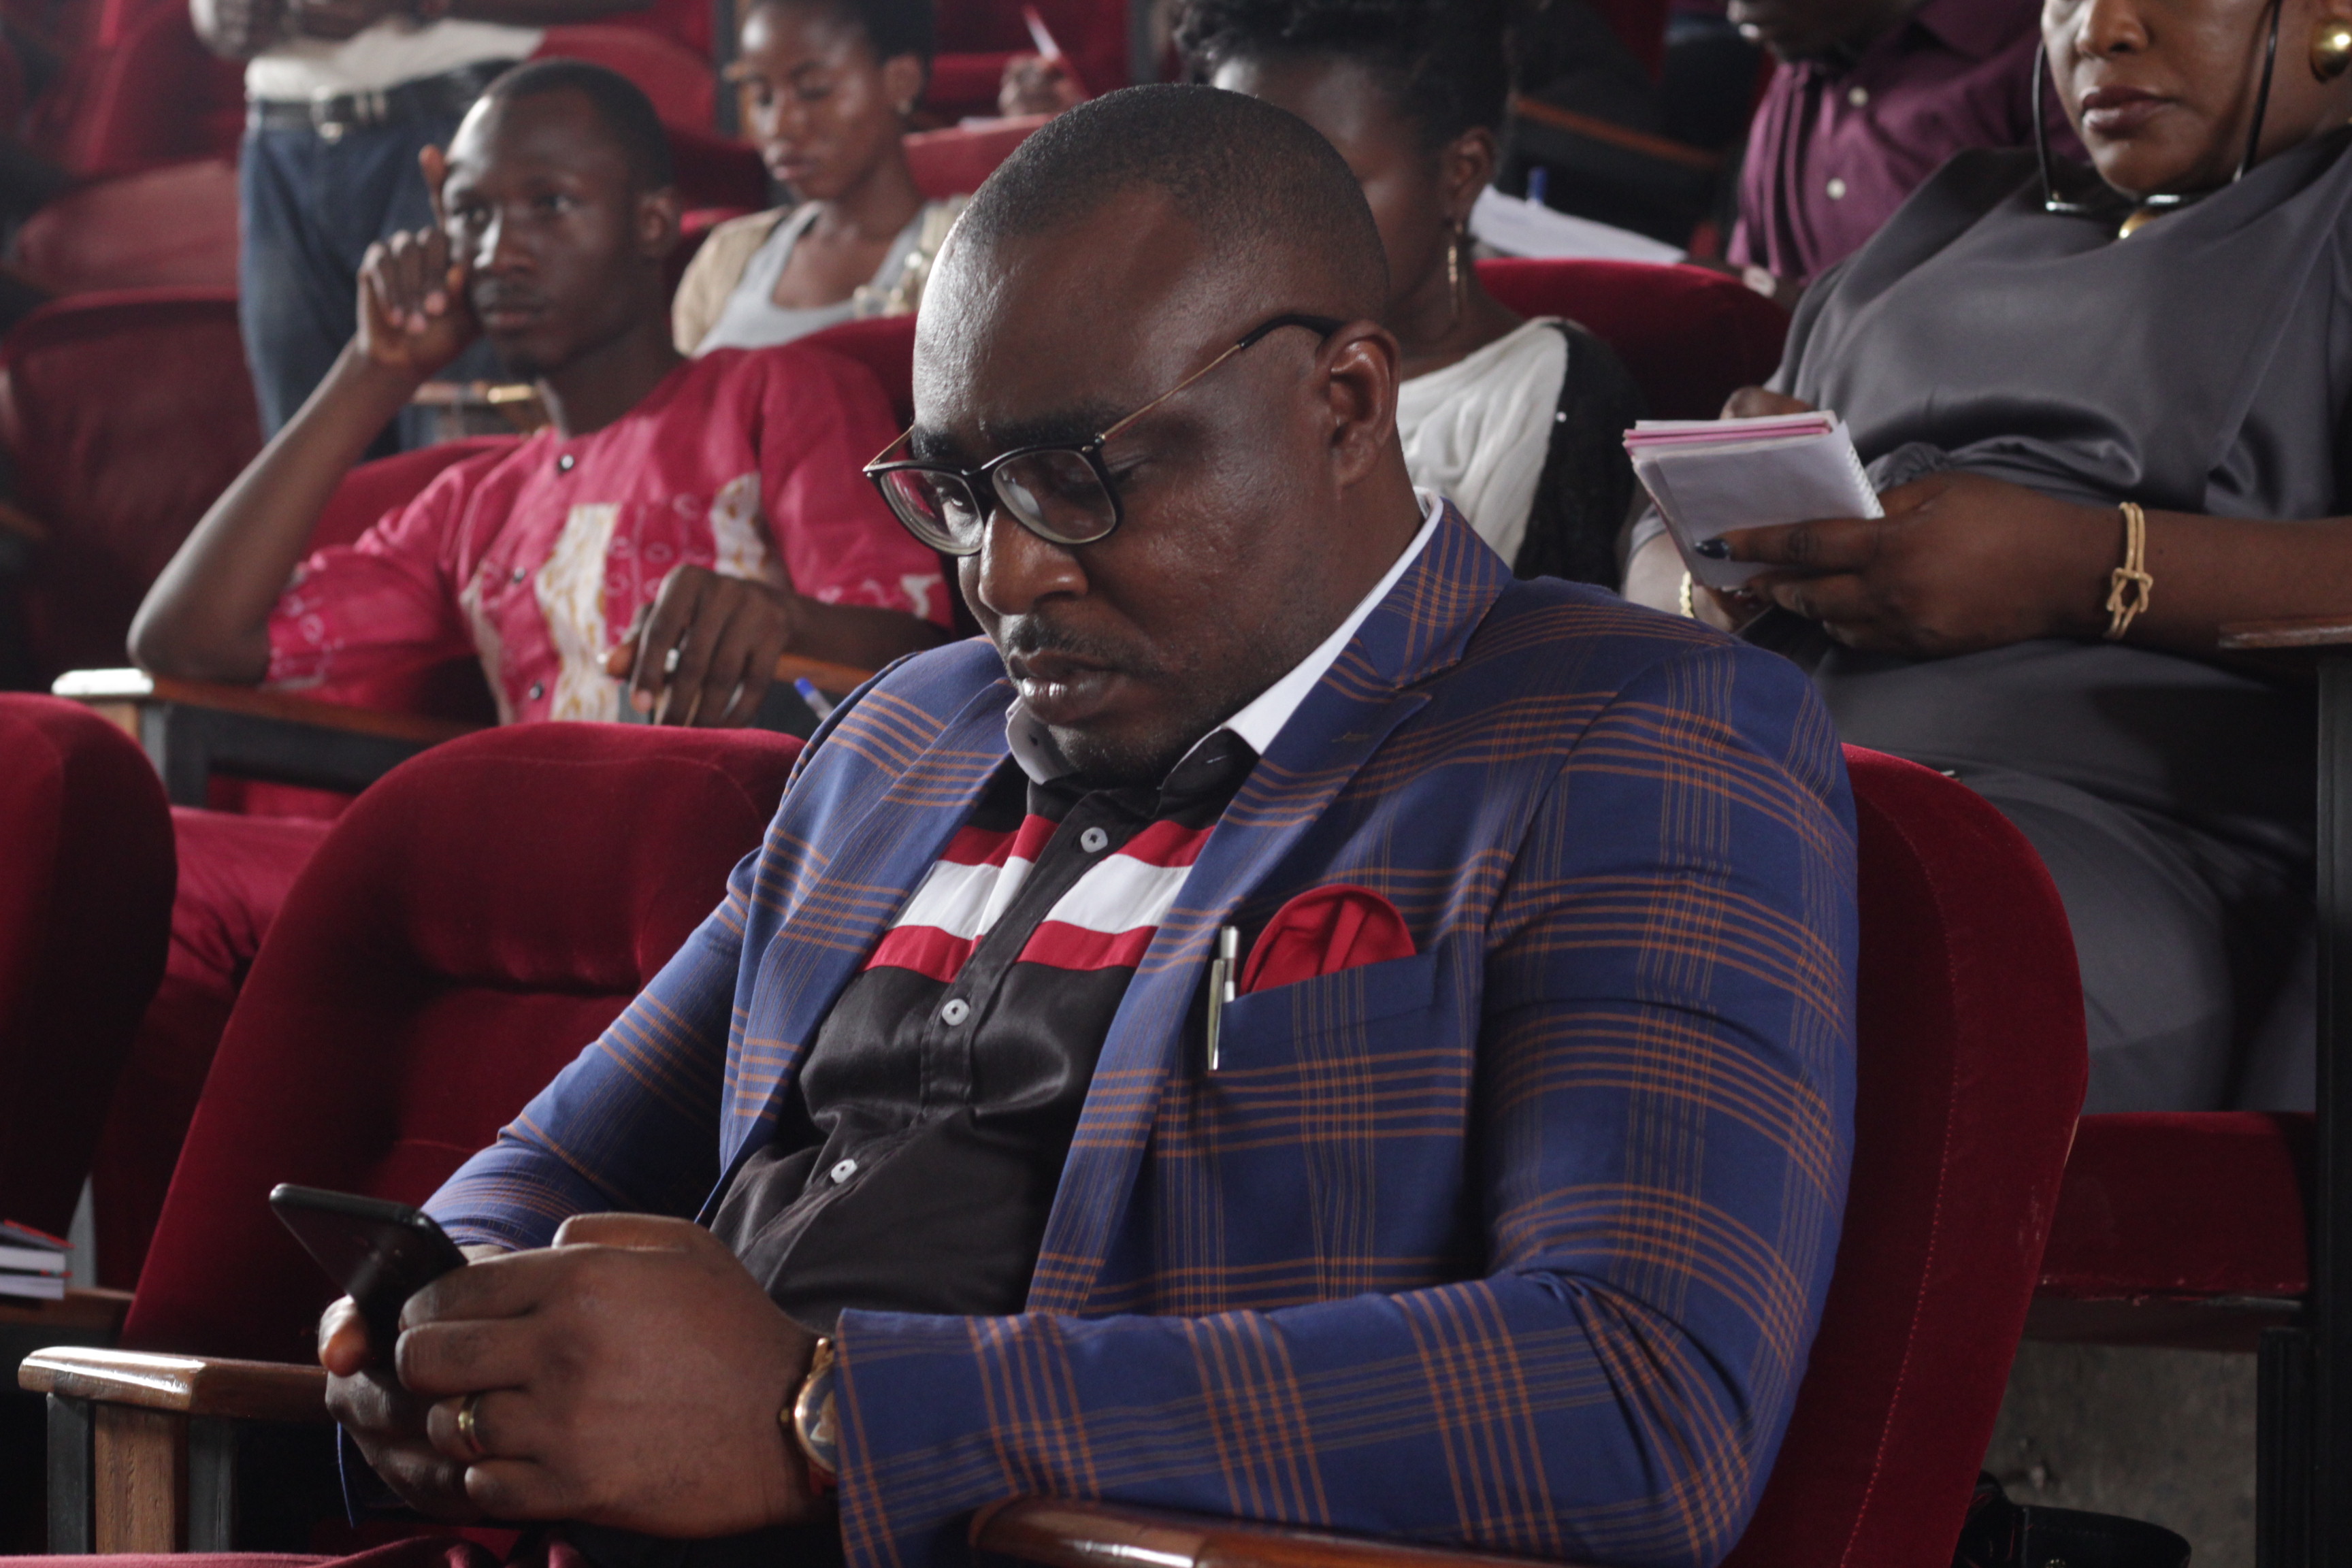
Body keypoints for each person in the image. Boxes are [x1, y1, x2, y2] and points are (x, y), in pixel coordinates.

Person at [243, 84, 1855, 1568]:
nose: (1003, 575)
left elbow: (1637, 1394)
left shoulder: (1630, 733)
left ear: (1348, 402)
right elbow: (550, 1163)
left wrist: (827, 1414)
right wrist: (446, 1330)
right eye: (958, 492)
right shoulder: (902, 733)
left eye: (1078, 478)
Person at [105, 59, 950, 1288]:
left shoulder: (775, 390)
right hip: (521, 876)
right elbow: (187, 640)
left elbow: (937, 668)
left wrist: (780, 617)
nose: (500, 248)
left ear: (653, 223)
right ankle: (151, 1292)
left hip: (727, 858)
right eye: (471, 215)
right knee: (156, 859)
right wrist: (376, 370)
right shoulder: (477, 494)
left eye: (549, 204)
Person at [1627, 0, 2352, 1113]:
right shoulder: (1956, 208)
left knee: (1720, 969)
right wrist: (1703, 572)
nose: (2100, 30)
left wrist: (2080, 568)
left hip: (2106, 841)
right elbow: (1656, 542)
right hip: (1755, 772)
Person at [1177, 0, 1645, 586]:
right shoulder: (1208, 365)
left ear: (1462, 174)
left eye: (1321, 184)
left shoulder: (1543, 389)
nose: (1260, 227)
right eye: (1233, 185)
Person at [193, 0, 647, 442]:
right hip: (280, 140)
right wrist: (217, 12)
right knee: (305, 451)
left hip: (454, 127)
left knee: (458, 445)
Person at [671, 0, 967, 355]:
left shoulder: (968, 254)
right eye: (762, 97)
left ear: (901, 81)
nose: (779, 126)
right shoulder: (726, 258)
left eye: (814, 90)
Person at [1725, 0, 2078, 297]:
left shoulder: (2048, 52)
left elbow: (2061, 295)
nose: (1736, 14)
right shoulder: (1803, 58)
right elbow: (1749, 275)